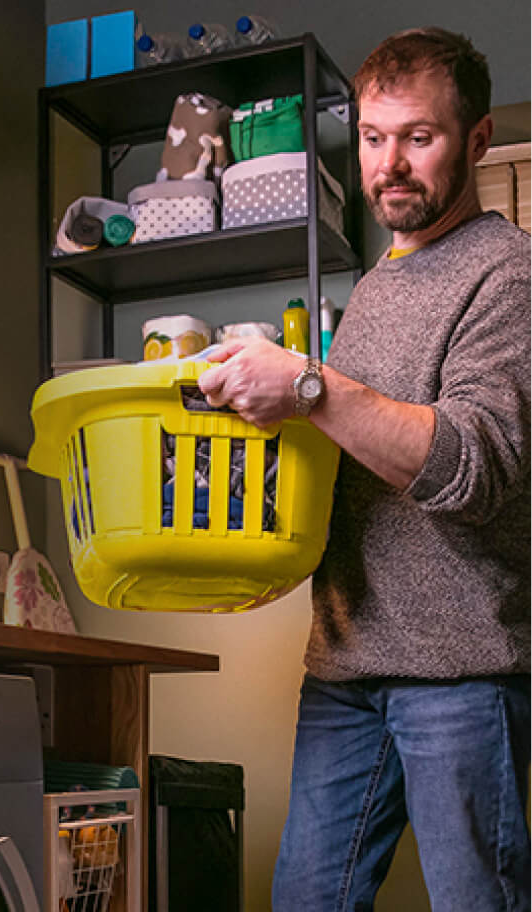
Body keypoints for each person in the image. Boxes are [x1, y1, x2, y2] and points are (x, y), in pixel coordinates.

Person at [198, 27, 530, 911]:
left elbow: (472, 466)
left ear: (477, 139)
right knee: (307, 900)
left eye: (417, 138)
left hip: (461, 672)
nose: (388, 166)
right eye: (373, 138)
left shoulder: (507, 274)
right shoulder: (379, 281)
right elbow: (352, 450)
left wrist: (306, 384)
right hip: (347, 664)